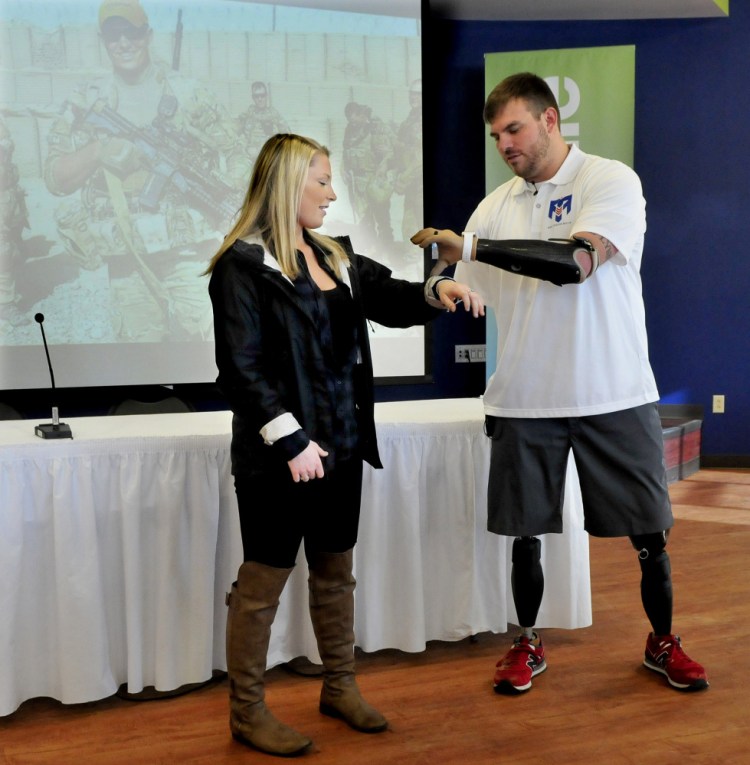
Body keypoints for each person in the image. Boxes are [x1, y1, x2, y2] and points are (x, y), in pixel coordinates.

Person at [412, 72, 708, 695]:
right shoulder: (496, 205)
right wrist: (442, 283)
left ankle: (662, 641)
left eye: (515, 129)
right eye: (496, 136)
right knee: (526, 535)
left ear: (551, 121)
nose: (505, 145)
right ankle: (526, 642)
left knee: (649, 533)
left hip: (614, 391)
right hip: (525, 399)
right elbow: (449, 274)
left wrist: (468, 246)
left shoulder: (609, 181)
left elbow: (573, 265)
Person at [206, 133, 483, 757]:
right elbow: (241, 372)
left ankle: (339, 687)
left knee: (336, 572)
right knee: (263, 583)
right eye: (322, 181)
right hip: (280, 460)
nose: (333, 194)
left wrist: (438, 289)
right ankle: (247, 714)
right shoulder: (241, 266)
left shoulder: (336, 255)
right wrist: (292, 442)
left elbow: (392, 299)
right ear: (287, 184)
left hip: (344, 445)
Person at [44, 0, 237, 342]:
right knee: (142, 353)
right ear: (102, 39)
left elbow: (236, 156)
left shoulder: (188, 94)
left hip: (188, 251)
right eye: (113, 35)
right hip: (125, 255)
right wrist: (98, 151)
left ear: (147, 35)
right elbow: (55, 178)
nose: (123, 43)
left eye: (131, 33)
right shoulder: (87, 100)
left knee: (213, 347)